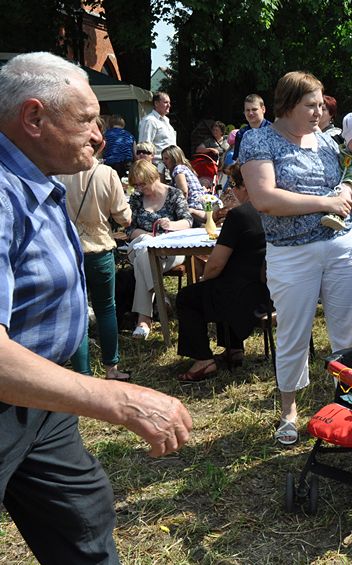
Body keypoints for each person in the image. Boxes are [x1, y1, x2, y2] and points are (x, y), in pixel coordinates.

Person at [0, 51, 191, 565]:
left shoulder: (37, 178)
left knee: (83, 517)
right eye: (86, 119)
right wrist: (119, 400)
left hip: (40, 400)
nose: (100, 136)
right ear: (34, 118)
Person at [241, 71, 352, 447]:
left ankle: (347, 404)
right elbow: (265, 199)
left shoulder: (326, 140)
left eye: (320, 104)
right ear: (288, 105)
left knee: (348, 332)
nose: (319, 112)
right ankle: (289, 412)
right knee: (293, 335)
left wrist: (350, 190)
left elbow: (349, 180)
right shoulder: (259, 140)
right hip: (293, 254)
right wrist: (325, 203)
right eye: (311, 105)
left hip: (344, 248)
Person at [175, 163, 268, 381]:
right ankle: (233, 348)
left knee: (188, 297)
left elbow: (215, 264)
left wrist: (204, 278)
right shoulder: (272, 210)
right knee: (220, 285)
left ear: (245, 186)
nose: (231, 190)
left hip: (241, 297)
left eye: (234, 184)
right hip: (268, 292)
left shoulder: (239, 216)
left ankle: (203, 360)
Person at [57, 120, 133, 381]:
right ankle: (111, 369)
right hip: (99, 247)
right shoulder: (107, 174)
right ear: (102, 145)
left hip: (69, 249)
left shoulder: (59, 172)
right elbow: (124, 217)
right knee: (106, 309)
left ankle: (83, 375)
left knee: (77, 311)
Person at [126, 159, 193, 340]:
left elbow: (188, 221)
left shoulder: (174, 194)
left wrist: (171, 225)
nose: (139, 188)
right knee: (145, 246)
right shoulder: (136, 199)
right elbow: (130, 230)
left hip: (169, 249)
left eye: (142, 184)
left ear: (153, 177)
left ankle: (144, 320)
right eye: (136, 185)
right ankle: (160, 296)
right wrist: (149, 236)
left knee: (143, 258)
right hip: (142, 245)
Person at [161, 144, 207, 225]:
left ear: (174, 158)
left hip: (193, 205)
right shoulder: (185, 168)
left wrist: (182, 210)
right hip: (201, 203)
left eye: (166, 158)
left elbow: (183, 191)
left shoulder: (178, 169)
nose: (163, 161)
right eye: (163, 159)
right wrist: (162, 173)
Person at [138, 91, 177, 169]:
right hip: (157, 166)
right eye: (165, 102)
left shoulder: (166, 121)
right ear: (156, 103)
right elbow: (144, 148)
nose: (169, 105)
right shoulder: (149, 121)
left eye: (169, 103)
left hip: (170, 166)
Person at [232, 93, 272, 163]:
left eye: (254, 109)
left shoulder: (273, 131)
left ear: (263, 109)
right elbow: (237, 160)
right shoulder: (241, 134)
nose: (250, 113)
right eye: (247, 110)